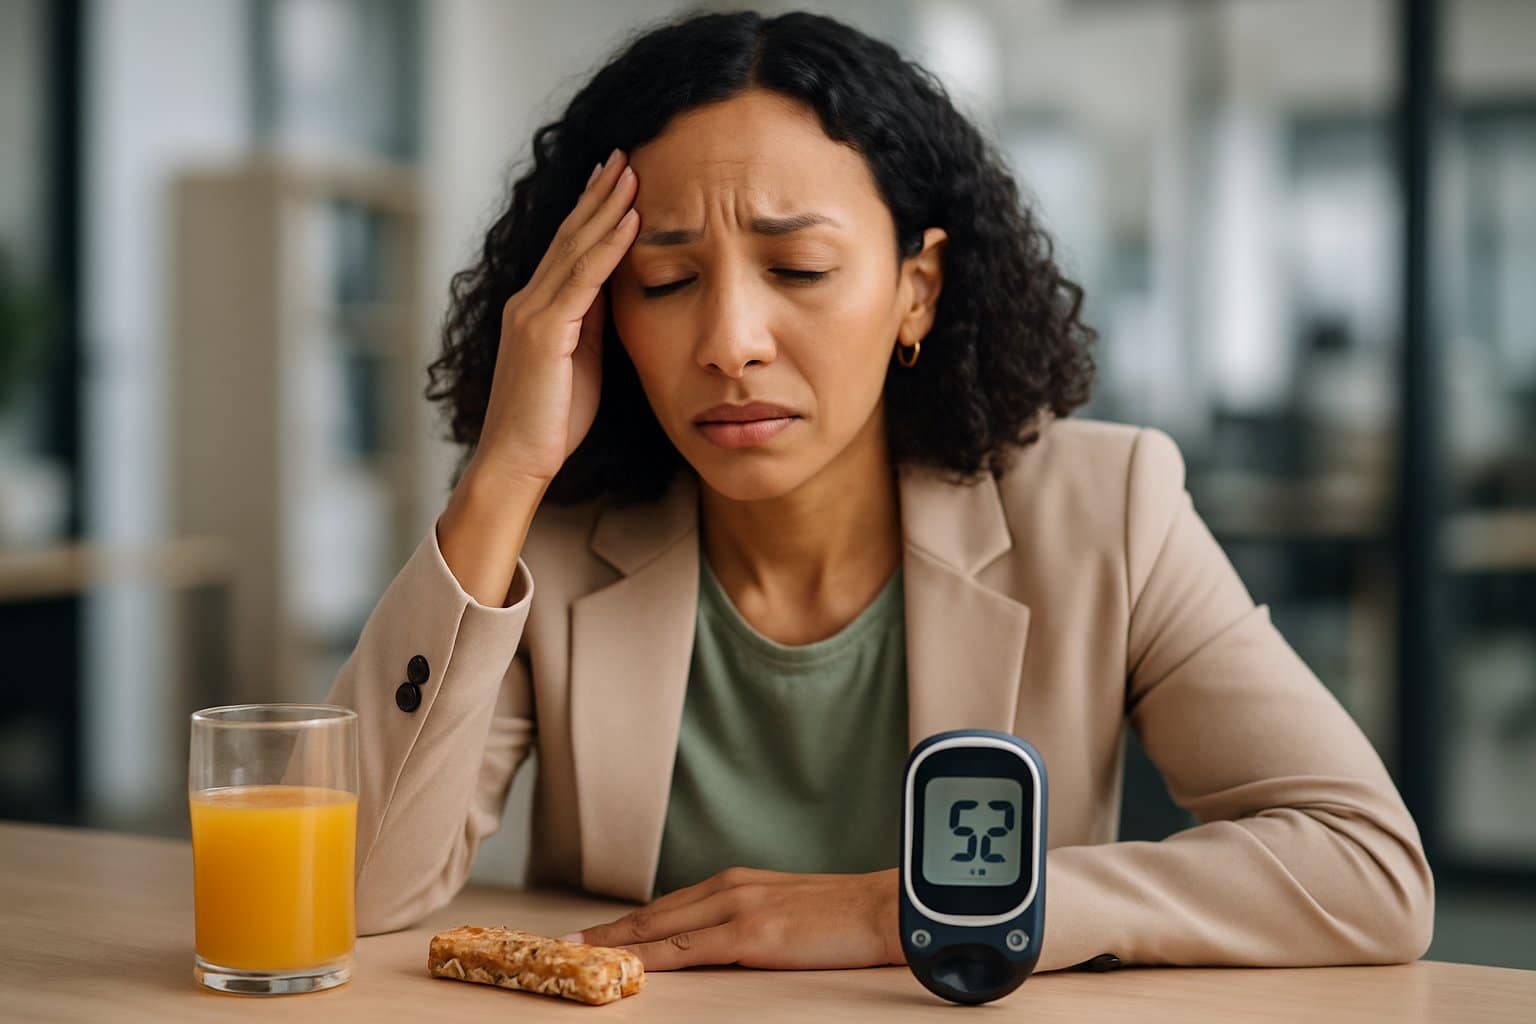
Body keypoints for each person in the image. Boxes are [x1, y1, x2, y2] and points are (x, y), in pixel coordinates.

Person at [324, 7, 1434, 974]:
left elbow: (1366, 865)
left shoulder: (1109, 509)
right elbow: (347, 890)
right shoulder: (553, 536)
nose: (730, 342)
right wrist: (504, 473)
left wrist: (894, 907)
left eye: (798, 270)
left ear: (918, 290)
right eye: (664, 280)